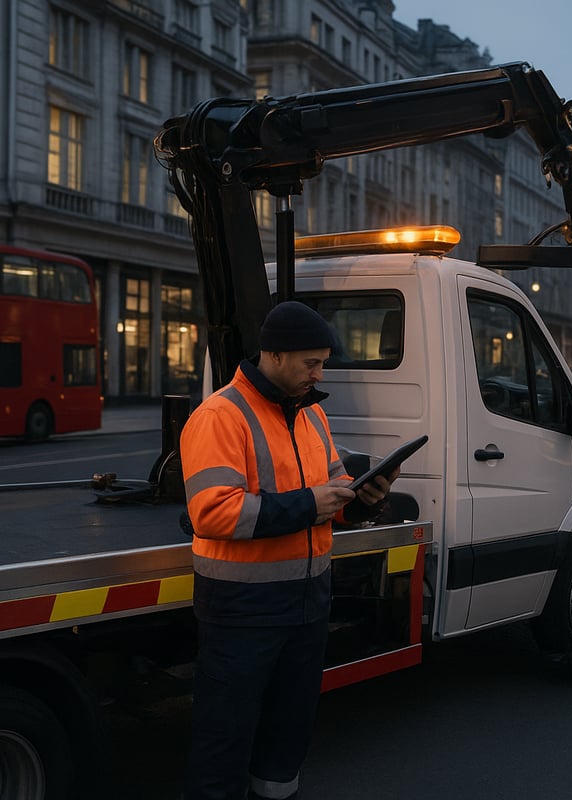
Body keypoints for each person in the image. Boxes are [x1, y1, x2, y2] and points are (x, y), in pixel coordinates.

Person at [179, 300, 398, 800]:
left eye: (322, 362)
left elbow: (333, 493)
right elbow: (211, 514)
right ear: (274, 355)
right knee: (224, 740)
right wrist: (308, 504)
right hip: (241, 611)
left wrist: (361, 498)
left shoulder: (311, 414)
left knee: (287, 736)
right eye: (312, 363)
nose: (320, 374)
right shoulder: (219, 415)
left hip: (306, 604)